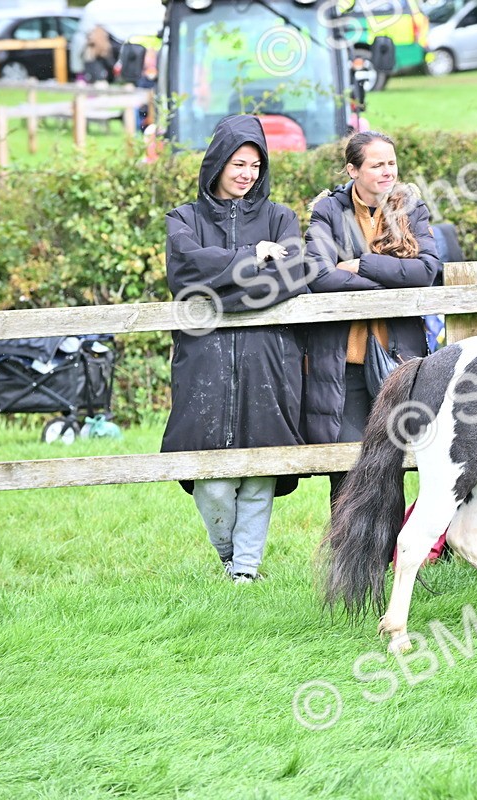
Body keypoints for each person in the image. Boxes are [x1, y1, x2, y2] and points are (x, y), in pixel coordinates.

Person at [161, 114, 308, 583]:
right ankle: (229, 554)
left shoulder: (280, 218)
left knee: (261, 470)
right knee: (212, 480)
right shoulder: (183, 219)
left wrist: (217, 292)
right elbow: (185, 273)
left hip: (269, 362)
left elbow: (290, 277)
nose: (247, 174)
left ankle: (245, 571)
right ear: (218, 162)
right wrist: (251, 257)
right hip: (203, 364)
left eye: (255, 165)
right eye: (238, 163)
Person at [302, 132, 441, 505]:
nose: (387, 171)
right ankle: (347, 544)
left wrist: (361, 264)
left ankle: (390, 543)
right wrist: (392, 279)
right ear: (353, 170)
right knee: (345, 468)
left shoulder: (411, 208)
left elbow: (426, 271)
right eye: (377, 165)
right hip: (342, 362)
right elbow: (319, 275)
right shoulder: (328, 211)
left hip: (398, 362)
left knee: (391, 464)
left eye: (391, 163)